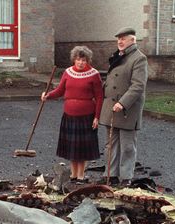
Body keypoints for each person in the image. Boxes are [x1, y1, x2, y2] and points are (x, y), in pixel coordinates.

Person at [41, 46, 103, 182]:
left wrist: (97, 117)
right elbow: (60, 90)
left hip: (86, 117)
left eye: (84, 60)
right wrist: (48, 95)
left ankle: (81, 175)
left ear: (88, 61)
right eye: (78, 59)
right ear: (74, 59)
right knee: (72, 147)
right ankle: (73, 175)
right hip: (69, 116)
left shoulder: (94, 74)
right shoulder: (67, 72)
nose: (81, 62)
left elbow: (99, 97)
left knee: (83, 148)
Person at [99, 27, 148, 187]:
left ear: (132, 40)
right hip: (111, 108)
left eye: (123, 38)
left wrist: (123, 102)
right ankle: (111, 175)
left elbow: (138, 85)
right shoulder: (118, 57)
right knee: (111, 145)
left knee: (127, 146)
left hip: (127, 109)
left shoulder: (139, 58)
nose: (120, 41)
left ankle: (126, 178)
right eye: (118, 39)